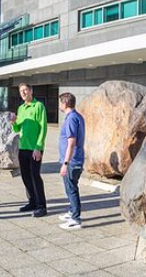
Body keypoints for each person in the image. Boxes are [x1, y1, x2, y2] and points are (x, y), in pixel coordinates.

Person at [10, 83, 47, 217]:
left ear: (31, 91)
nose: (23, 93)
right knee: (25, 177)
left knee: (35, 177)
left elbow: (43, 128)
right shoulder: (21, 108)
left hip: (34, 149)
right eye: (21, 91)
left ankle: (42, 206)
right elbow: (17, 129)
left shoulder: (38, 106)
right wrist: (14, 122)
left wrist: (38, 148)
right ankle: (32, 202)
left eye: (26, 90)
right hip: (23, 147)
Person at [57, 92, 86, 230]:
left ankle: (75, 219)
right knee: (71, 188)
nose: (59, 105)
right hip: (76, 159)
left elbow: (71, 142)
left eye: (60, 103)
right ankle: (71, 212)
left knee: (71, 189)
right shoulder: (77, 116)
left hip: (72, 161)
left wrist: (65, 163)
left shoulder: (71, 119)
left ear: (65, 103)